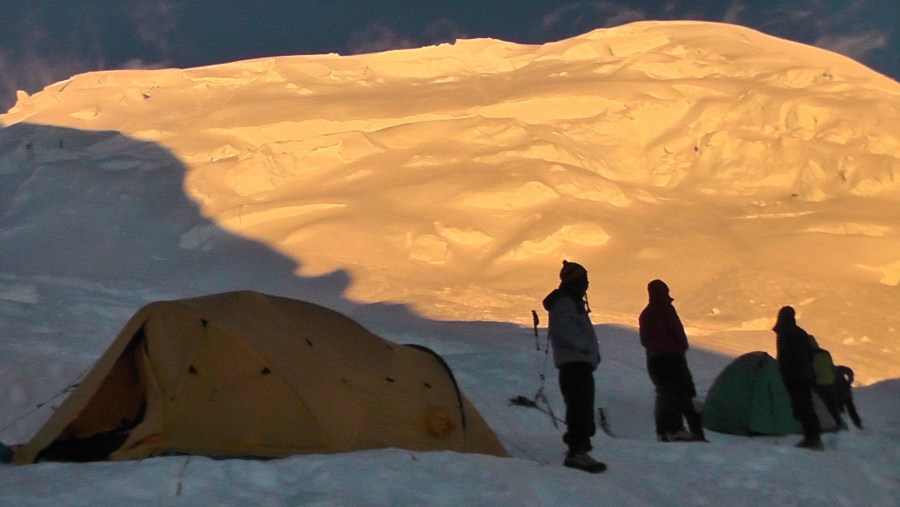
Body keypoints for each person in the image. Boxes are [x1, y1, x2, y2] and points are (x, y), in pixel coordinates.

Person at [542, 260, 605, 472]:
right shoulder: (566, 303)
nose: (587, 283)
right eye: (583, 279)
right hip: (574, 363)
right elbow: (564, 332)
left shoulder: (572, 301)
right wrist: (585, 350)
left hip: (579, 362)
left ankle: (581, 450)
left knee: (583, 406)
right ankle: (576, 452)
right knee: (579, 406)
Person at [638, 279, 706, 442]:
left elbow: (644, 340)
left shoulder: (645, 314)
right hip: (673, 358)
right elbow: (677, 332)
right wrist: (681, 347)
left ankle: (664, 430)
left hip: (655, 360)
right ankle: (686, 430)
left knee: (664, 395)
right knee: (682, 393)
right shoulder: (666, 310)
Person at [773, 306, 823, 450]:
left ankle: (811, 438)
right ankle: (814, 436)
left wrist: (784, 373)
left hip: (793, 375)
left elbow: (784, 356)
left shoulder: (784, 333)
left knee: (801, 406)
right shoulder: (801, 332)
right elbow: (809, 353)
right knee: (806, 405)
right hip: (805, 375)